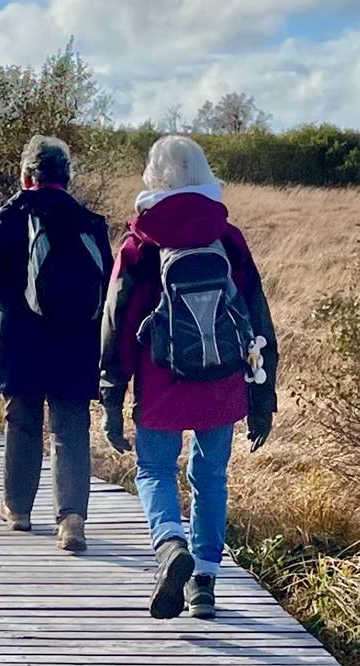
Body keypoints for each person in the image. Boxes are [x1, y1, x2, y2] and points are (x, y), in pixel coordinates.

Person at [100, 135, 278, 620]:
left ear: (154, 177)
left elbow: (117, 323)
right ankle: (204, 584)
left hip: (161, 382)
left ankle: (169, 544)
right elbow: (257, 315)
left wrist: (113, 396)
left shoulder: (140, 243)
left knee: (154, 470)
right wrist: (264, 393)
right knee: (211, 477)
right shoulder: (227, 236)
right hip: (222, 381)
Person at [0, 135, 112, 550]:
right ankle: (72, 521)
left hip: (21, 337)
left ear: (28, 175)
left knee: (22, 420)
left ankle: (18, 509)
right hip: (77, 340)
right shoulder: (89, 221)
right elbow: (108, 285)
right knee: (70, 428)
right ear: (67, 176)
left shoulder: (15, 213)